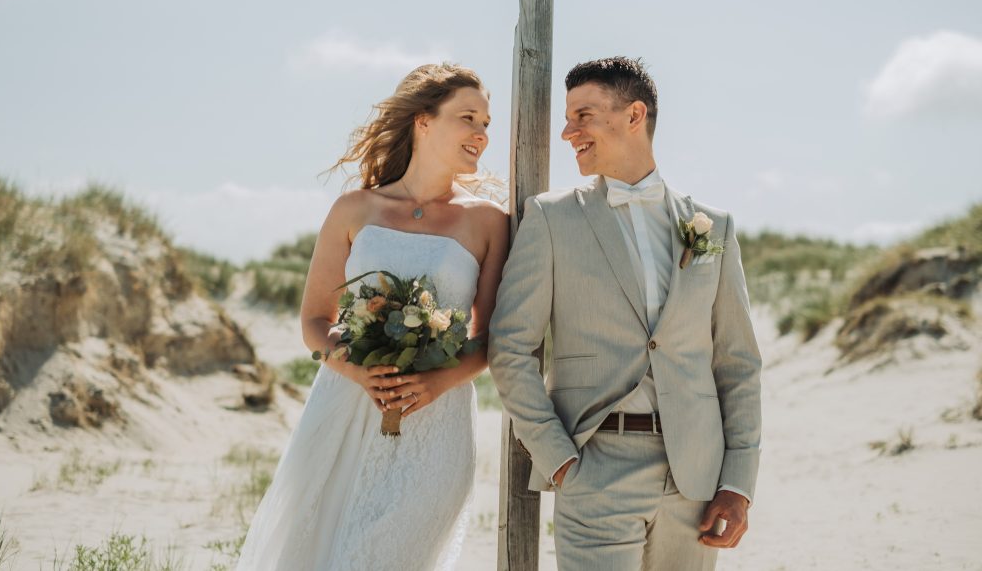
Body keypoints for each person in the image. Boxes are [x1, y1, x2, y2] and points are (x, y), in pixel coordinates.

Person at [488, 56, 762, 570]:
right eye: (568, 118)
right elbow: (510, 349)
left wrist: (737, 483)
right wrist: (561, 461)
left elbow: (739, 364)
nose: (569, 132)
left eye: (583, 115)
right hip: (595, 471)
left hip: (696, 482)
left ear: (634, 115)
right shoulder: (550, 218)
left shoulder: (713, 227)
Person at [235, 63, 509, 571]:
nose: (481, 135)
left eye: (487, 124)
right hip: (346, 408)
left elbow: (489, 338)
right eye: (469, 119)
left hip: (439, 422)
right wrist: (357, 370)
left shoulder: (490, 222)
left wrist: (435, 384)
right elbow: (314, 321)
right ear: (423, 122)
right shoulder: (355, 210)